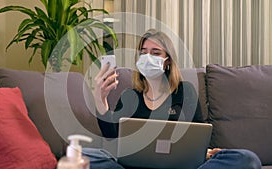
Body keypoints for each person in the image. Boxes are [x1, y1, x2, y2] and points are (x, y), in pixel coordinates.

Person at [91, 29, 261, 169]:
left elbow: (199, 135)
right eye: (144, 53)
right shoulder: (130, 96)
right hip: (136, 167)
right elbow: (111, 136)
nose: (148, 57)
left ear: (167, 61)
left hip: (181, 167)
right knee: (87, 156)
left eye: (155, 53)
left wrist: (206, 151)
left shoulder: (185, 92)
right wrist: (100, 98)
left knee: (247, 158)